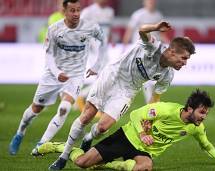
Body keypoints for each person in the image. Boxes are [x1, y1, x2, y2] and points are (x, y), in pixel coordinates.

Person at [49, 21, 196, 170]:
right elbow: (142, 31)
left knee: (102, 128)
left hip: (128, 90)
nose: (184, 63)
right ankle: (64, 156)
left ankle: (88, 138)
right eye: (184, 58)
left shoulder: (167, 75)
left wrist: (148, 119)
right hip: (113, 75)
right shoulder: (154, 47)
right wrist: (156, 28)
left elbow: (155, 98)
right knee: (87, 116)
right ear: (171, 52)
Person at [38, 89, 215, 170]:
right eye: (202, 112)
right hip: (126, 137)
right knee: (82, 163)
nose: (204, 116)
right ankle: (59, 147)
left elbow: (206, 145)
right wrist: (142, 132)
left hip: (143, 151)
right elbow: (135, 115)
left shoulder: (196, 128)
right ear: (190, 109)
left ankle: (120, 165)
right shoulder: (166, 109)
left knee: (146, 167)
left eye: (206, 113)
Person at [9, 0, 104, 155]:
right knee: (35, 109)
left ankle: (41, 144)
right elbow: (48, 54)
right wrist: (57, 72)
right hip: (53, 74)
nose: (76, 14)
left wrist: (97, 65)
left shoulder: (89, 27)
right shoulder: (54, 28)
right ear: (64, 11)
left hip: (75, 74)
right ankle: (20, 132)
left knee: (65, 108)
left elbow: (102, 42)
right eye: (72, 10)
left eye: (78, 10)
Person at [122, 0, 170, 104]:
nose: (151, 2)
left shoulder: (158, 15)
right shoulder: (138, 15)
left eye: (153, 1)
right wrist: (124, 47)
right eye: (149, 1)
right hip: (141, 49)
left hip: (155, 50)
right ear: (144, 2)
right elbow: (129, 30)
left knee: (151, 75)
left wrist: (169, 44)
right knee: (147, 75)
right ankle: (151, 103)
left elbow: (161, 34)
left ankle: (151, 102)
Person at [75, 0, 115, 113]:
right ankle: (95, 105)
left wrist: (111, 39)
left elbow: (109, 28)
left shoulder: (110, 11)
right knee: (103, 77)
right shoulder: (88, 12)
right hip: (94, 48)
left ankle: (83, 96)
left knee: (105, 77)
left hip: (104, 48)